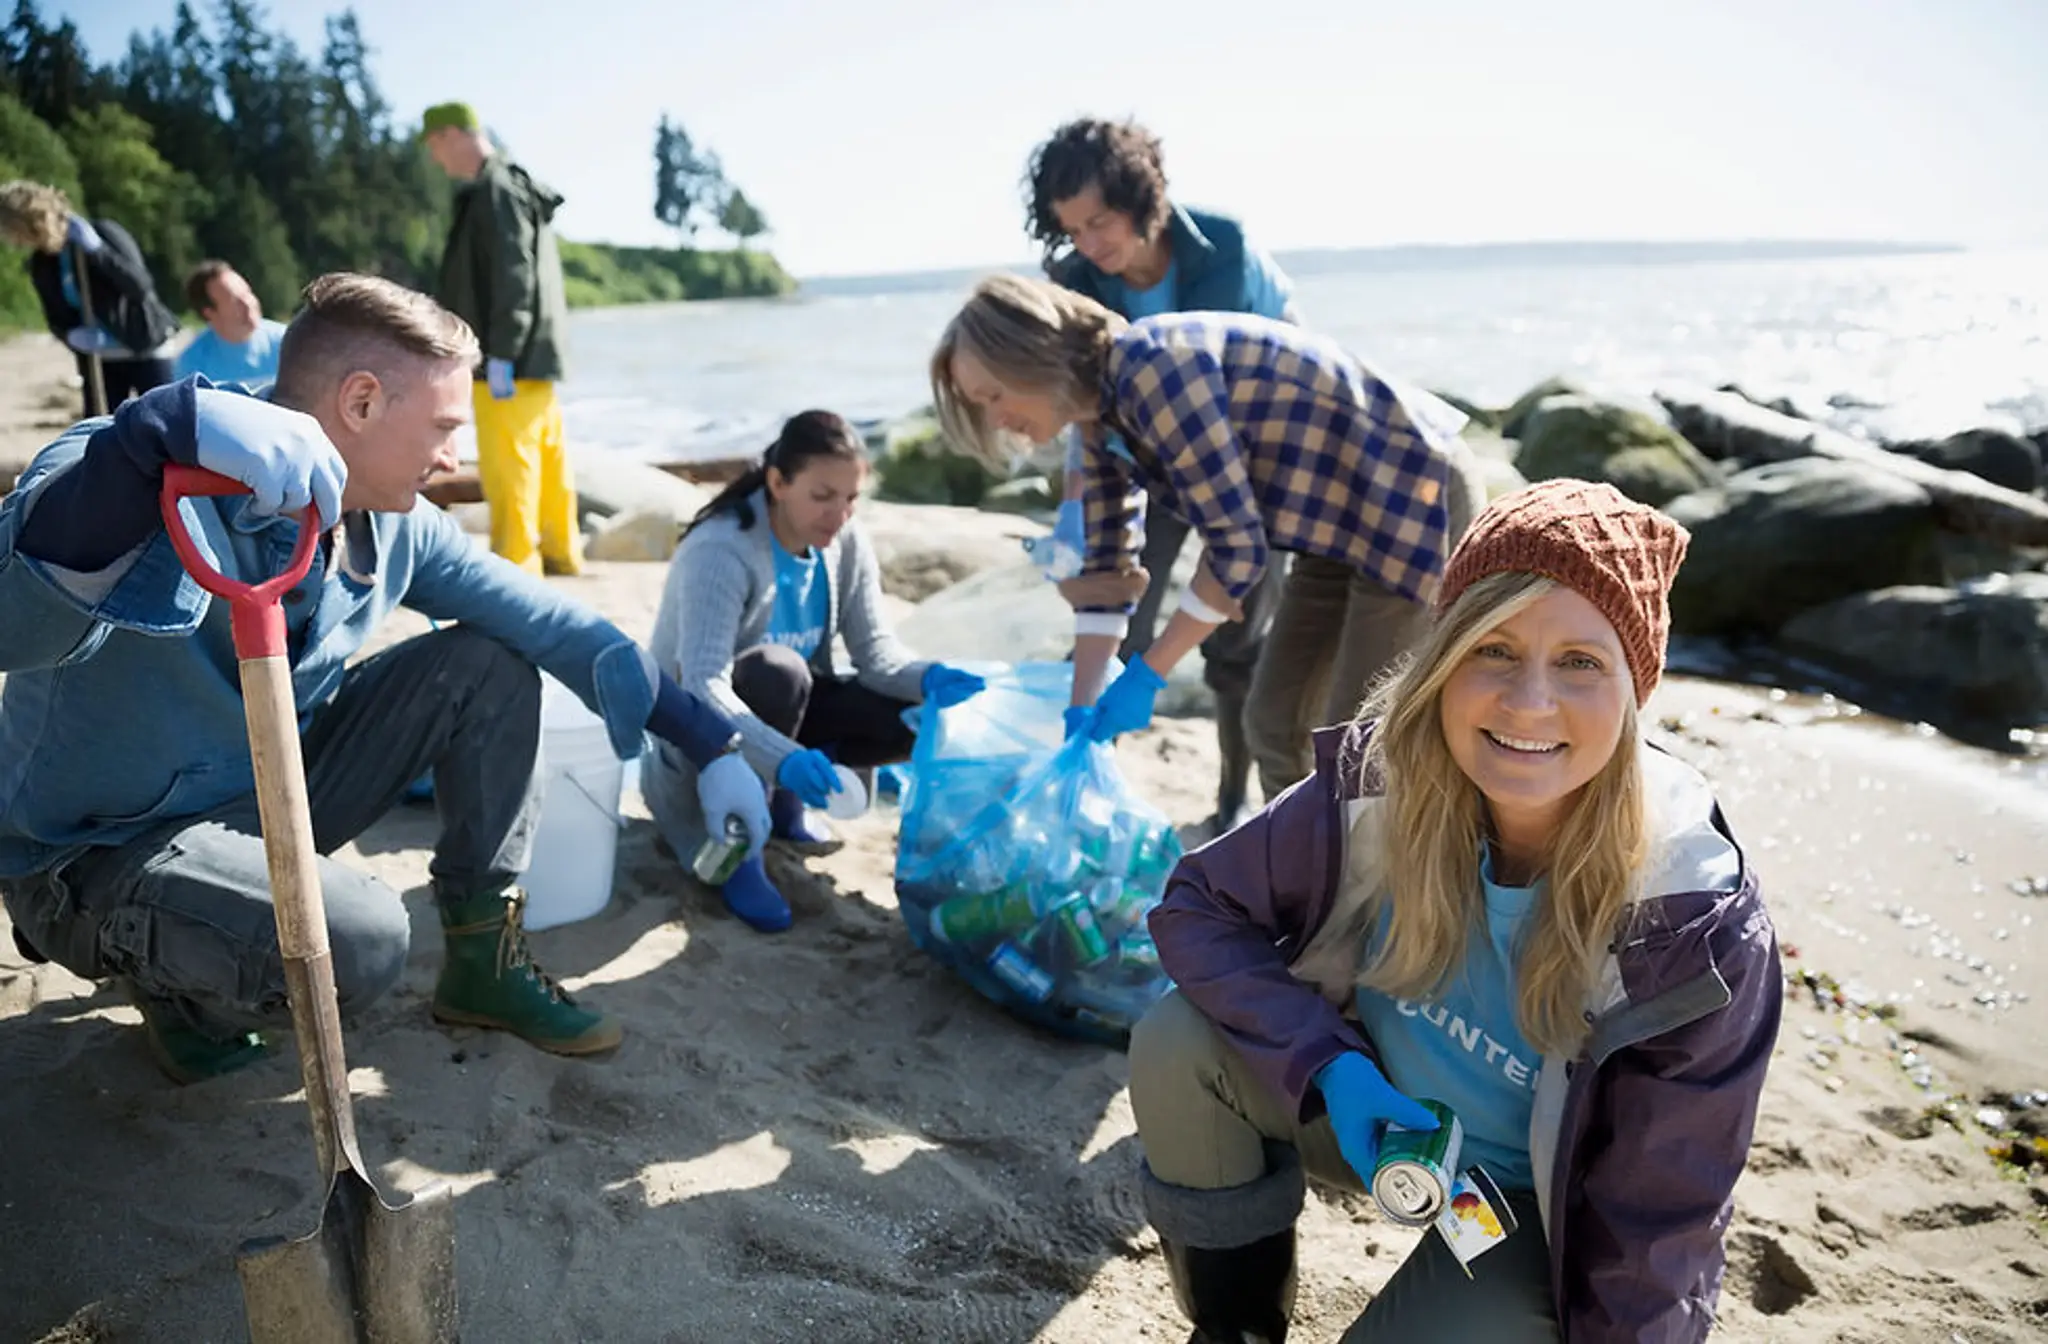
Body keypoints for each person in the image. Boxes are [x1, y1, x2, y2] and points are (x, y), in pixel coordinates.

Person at [0, 273, 771, 1085]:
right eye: (443, 428)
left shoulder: (391, 527)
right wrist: (144, 444)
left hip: (258, 805)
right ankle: (180, 992)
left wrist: (705, 738)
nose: (452, 458)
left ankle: (483, 961)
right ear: (361, 403)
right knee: (362, 941)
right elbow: (14, 625)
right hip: (93, 853)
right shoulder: (132, 457)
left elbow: (553, 624)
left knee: (488, 663)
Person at [1124, 480, 1782, 1342]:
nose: (1528, 701)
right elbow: (1199, 906)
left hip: (1531, 1211)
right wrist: (1333, 1070)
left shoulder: (1693, 922)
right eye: (1494, 649)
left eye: (1581, 662)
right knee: (1179, 1042)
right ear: (1443, 658)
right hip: (1378, 1116)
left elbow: (1659, 1226)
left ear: (1634, 692)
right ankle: (1237, 1329)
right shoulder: (1377, 779)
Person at [929, 273, 1485, 801]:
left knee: (1356, 748)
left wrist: (1148, 674)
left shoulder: (1155, 367)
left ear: (1030, 355)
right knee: (1273, 723)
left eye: (992, 395)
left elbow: (1236, 553)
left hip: (1412, 490)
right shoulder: (1098, 424)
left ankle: (1370, 895)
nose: (996, 418)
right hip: (1329, 529)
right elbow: (1106, 575)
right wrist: (1082, 713)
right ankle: (1302, 880)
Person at [1025, 116, 1297, 837]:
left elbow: (1287, 363)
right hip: (1140, 469)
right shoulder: (1075, 282)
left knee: (1239, 640)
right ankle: (1084, 793)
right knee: (1119, 617)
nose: (1088, 245)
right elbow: (1085, 405)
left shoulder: (1227, 250)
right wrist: (1075, 516)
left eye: (1100, 221)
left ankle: (1234, 798)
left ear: (1145, 197)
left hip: (1248, 469)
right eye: (1070, 230)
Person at [645, 410, 987, 934]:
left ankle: (782, 807)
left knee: (914, 715)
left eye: (851, 498)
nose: (840, 514)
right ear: (778, 482)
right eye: (823, 496)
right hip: (703, 744)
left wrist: (930, 679)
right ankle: (741, 848)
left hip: (788, 715)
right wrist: (785, 759)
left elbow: (876, 654)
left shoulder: (844, 541)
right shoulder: (721, 551)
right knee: (778, 673)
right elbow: (702, 685)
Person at [421, 101, 581, 577]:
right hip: (536, 351)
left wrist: (502, 354)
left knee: (508, 462)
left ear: (452, 135)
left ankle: (516, 563)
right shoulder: (511, 185)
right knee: (546, 454)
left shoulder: (495, 189)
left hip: (507, 353)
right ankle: (561, 552)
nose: (436, 159)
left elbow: (515, 277)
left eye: (435, 146)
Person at [0, 179, 180, 414]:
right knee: (103, 435)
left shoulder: (103, 233)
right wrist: (70, 335)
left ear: (33, 223)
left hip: (144, 346)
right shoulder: (43, 262)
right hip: (99, 359)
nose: (15, 242)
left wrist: (98, 252)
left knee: (163, 428)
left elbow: (140, 287)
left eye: (15, 233)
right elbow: (55, 315)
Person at [175, 259, 288, 387]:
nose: (248, 304)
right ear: (209, 313)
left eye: (248, 293)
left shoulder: (288, 342)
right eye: (235, 300)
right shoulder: (192, 365)